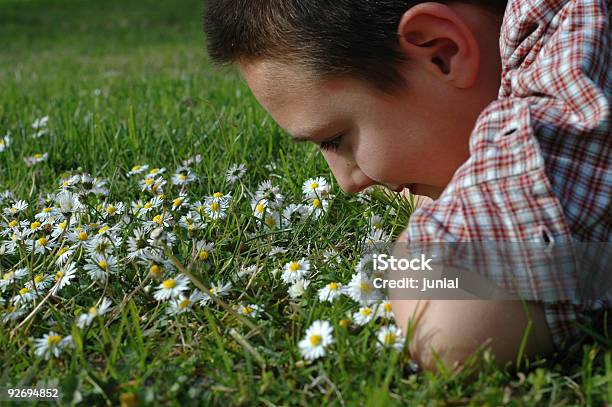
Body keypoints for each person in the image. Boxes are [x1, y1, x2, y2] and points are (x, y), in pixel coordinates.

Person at [203, 0, 611, 372]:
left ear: (442, 53)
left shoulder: (572, 28)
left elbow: (450, 325)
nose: (347, 183)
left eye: (336, 139)